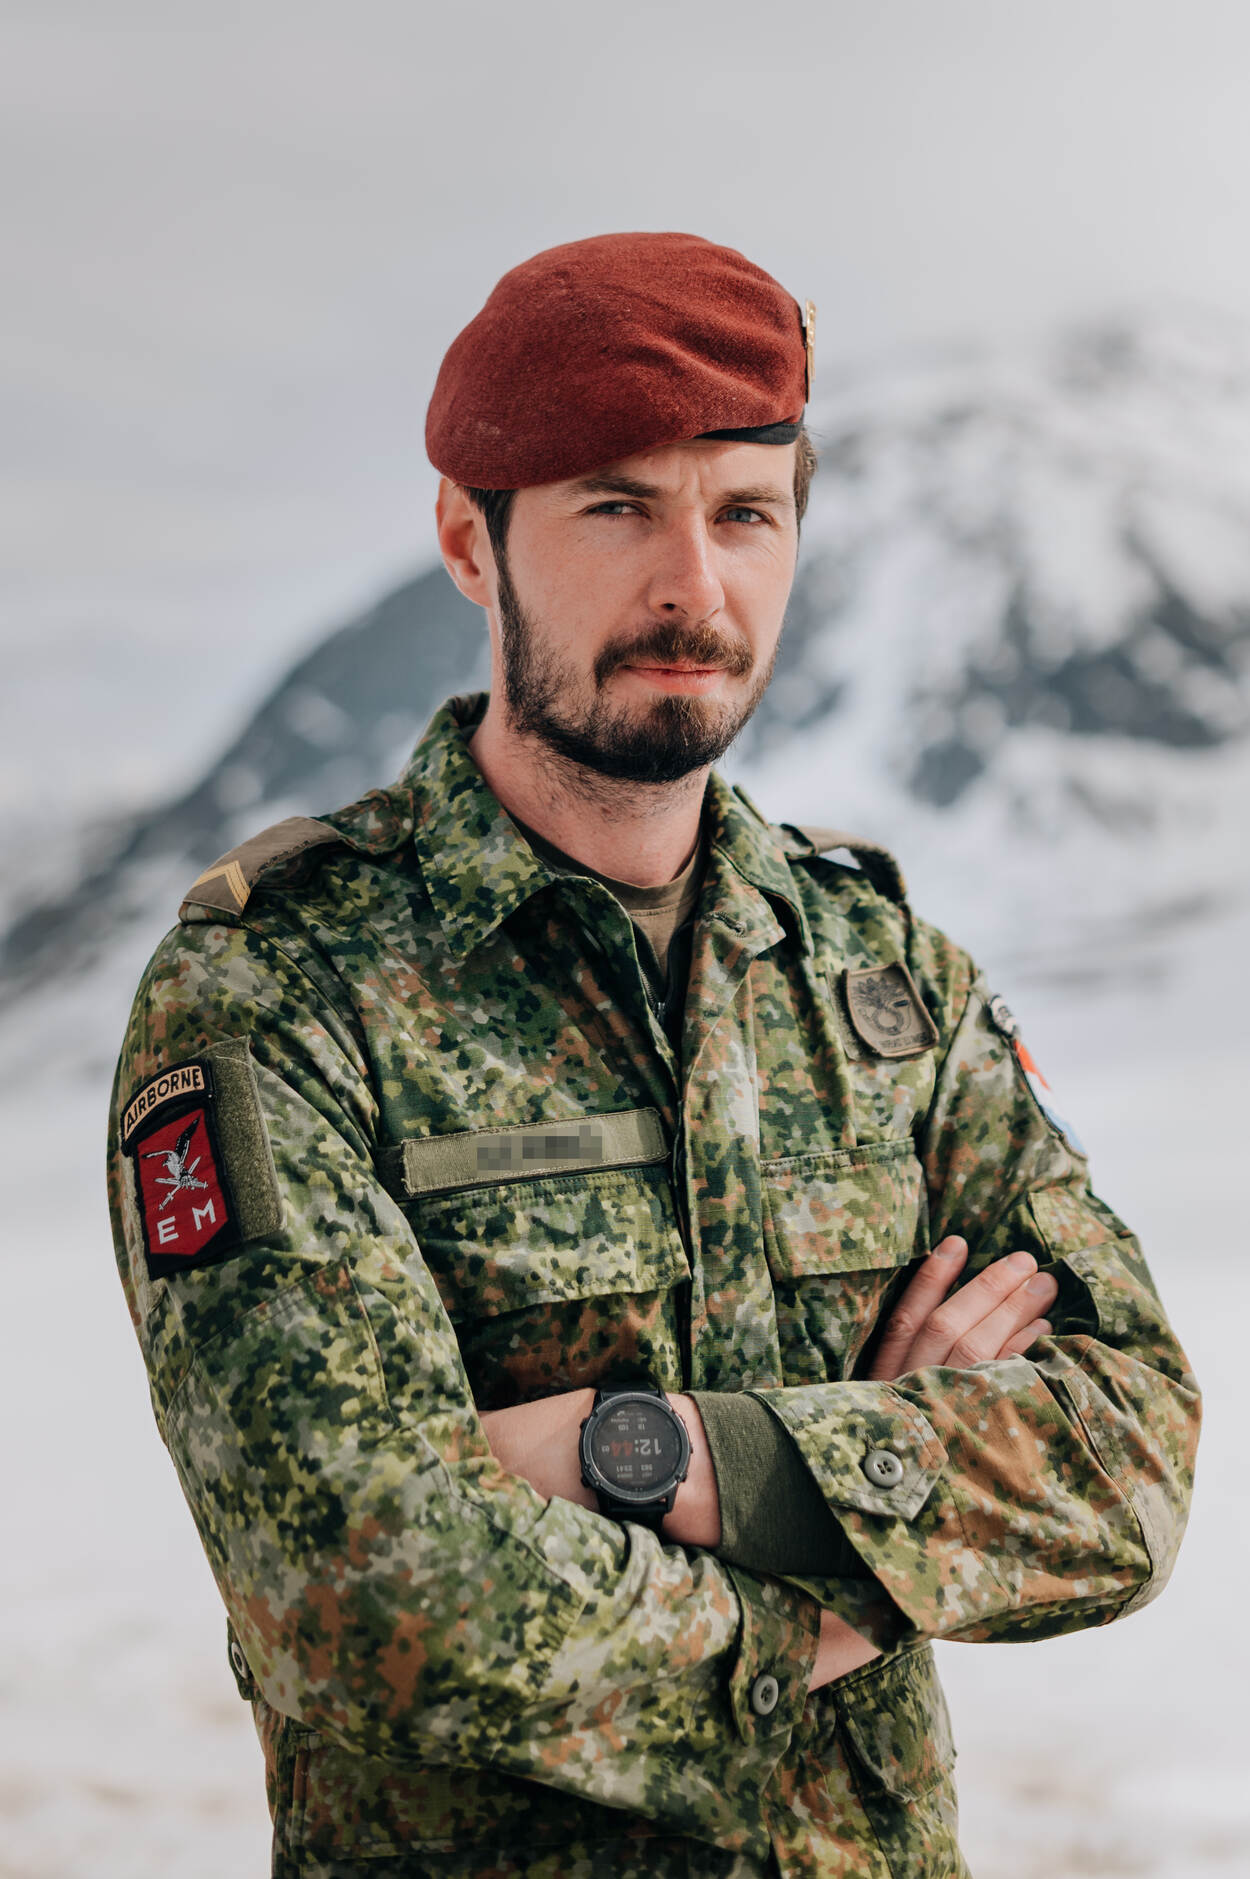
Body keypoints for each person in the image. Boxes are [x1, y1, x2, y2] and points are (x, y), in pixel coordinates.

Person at [106, 232, 1200, 1879]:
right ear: (468, 543)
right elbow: (362, 1592)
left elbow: (1127, 1459)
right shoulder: (281, 990)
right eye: (616, 507)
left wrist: (656, 1456)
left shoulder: (879, 977)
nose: (693, 585)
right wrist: (866, 1560)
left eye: (744, 513)